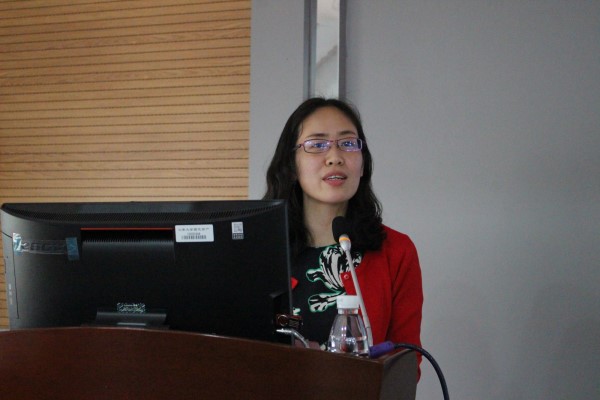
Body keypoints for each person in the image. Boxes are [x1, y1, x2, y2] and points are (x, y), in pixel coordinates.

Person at [264, 97, 423, 361]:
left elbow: (407, 363)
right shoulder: (263, 249)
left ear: (363, 164)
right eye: (317, 145)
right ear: (291, 165)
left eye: (348, 143)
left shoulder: (396, 251)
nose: (335, 157)